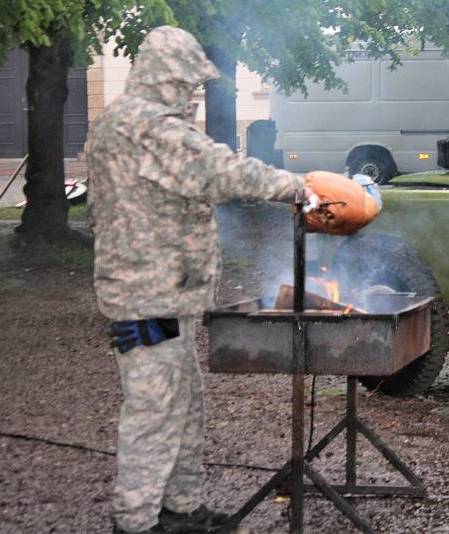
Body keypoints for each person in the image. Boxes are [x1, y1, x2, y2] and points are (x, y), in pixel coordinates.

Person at [86, 26, 316, 534]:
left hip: (166, 293)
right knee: (155, 412)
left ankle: (181, 509)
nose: (191, 93)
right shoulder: (148, 127)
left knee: (184, 404)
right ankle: (136, 522)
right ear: (167, 78)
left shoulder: (118, 121)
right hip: (147, 298)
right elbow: (218, 171)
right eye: (188, 83)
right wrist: (297, 186)